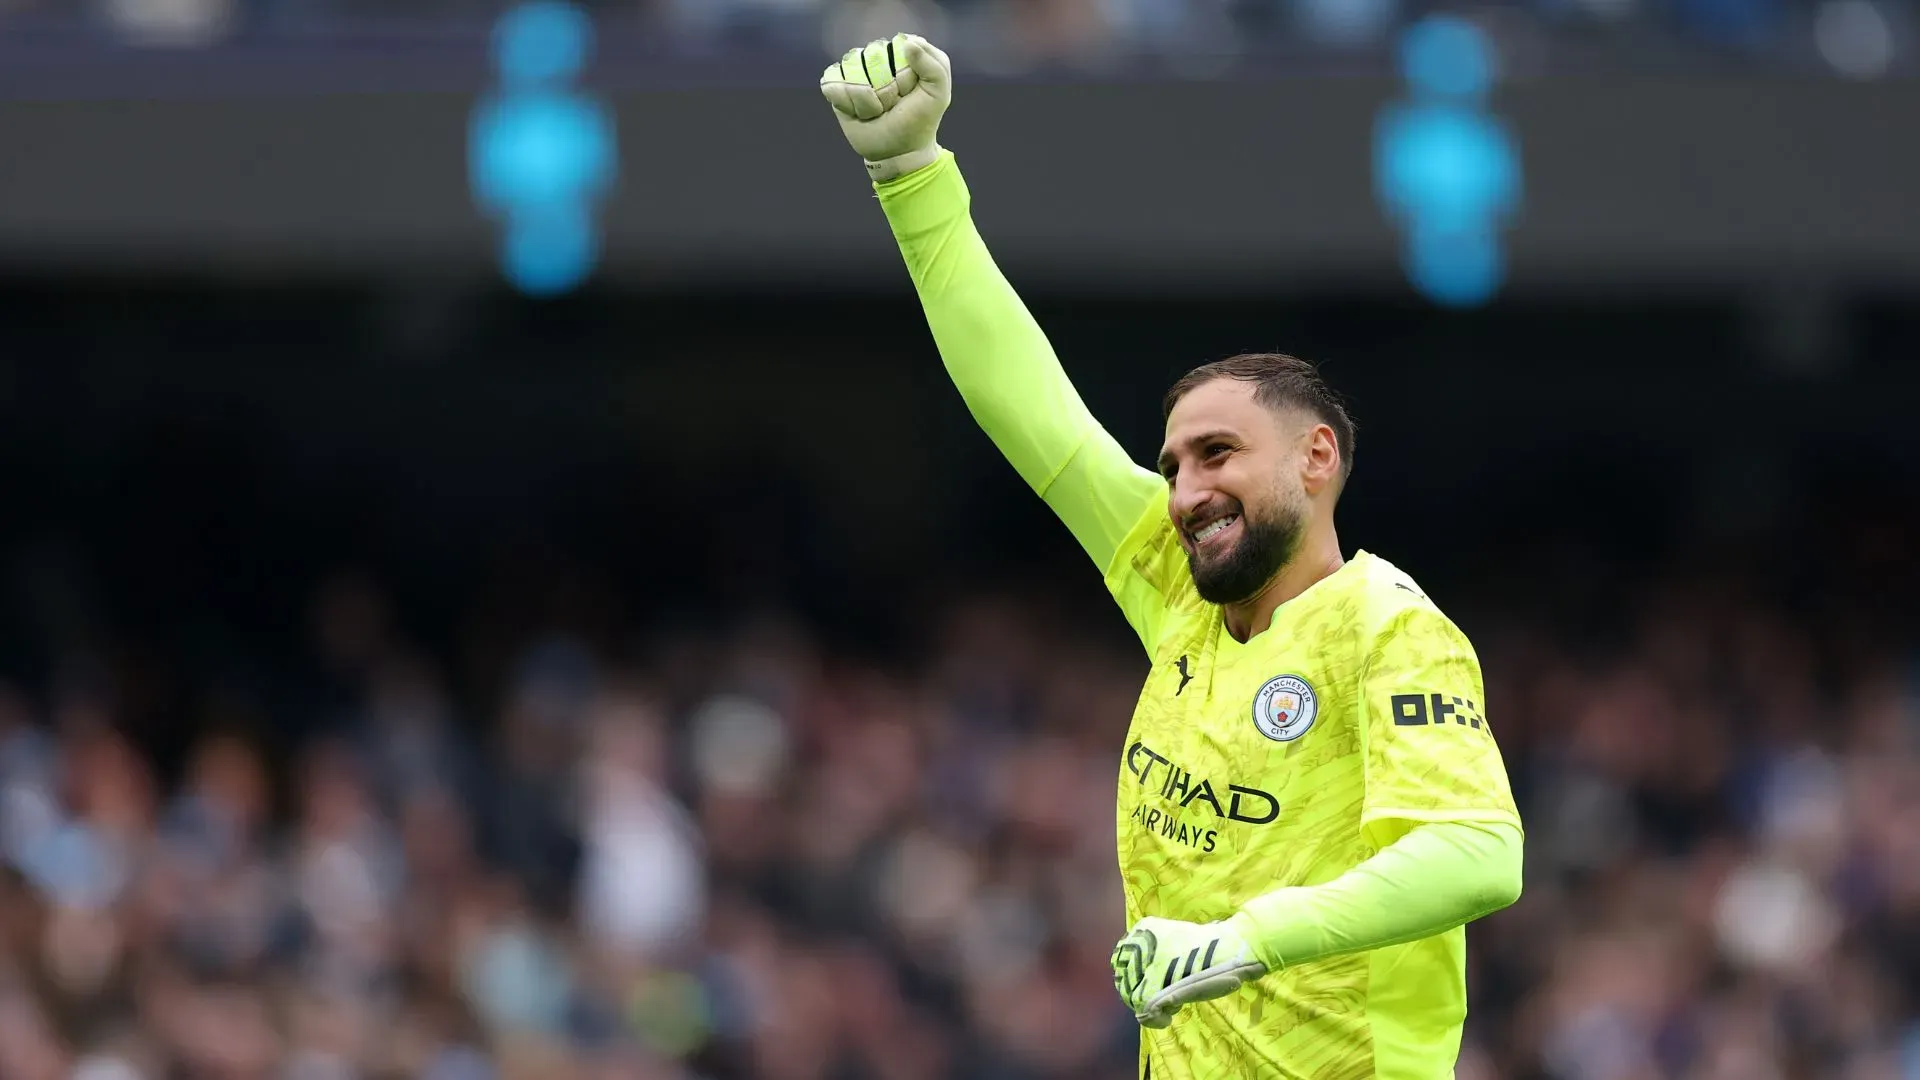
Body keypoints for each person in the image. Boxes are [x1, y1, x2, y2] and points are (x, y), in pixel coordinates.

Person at [819, 35, 1526, 1079]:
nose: (1188, 492)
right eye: (1175, 464)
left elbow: (1479, 855)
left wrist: (1244, 940)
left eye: (1219, 454)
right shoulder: (1181, 589)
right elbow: (1035, 413)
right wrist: (911, 176)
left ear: (1317, 457)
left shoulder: (1387, 629)